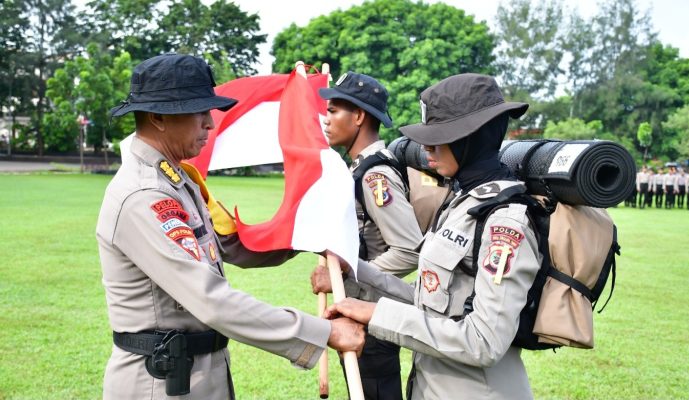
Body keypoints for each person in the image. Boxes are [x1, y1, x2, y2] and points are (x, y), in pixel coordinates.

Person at [96, 53, 365, 400]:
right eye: (200, 112)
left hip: (194, 372)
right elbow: (211, 300)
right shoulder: (144, 195)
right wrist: (324, 331)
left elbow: (229, 245)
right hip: (160, 382)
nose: (210, 123)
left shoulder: (178, 181)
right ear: (159, 117)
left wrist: (308, 232)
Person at [314, 73, 541, 399]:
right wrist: (355, 269)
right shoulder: (464, 202)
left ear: (470, 138)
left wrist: (378, 313)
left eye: (439, 136)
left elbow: (484, 341)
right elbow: (431, 300)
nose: (426, 147)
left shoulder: (505, 220)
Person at [316, 71, 423, 400]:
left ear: (359, 116)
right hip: (359, 311)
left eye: (334, 111)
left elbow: (409, 250)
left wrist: (347, 270)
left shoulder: (375, 175)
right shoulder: (358, 167)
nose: (326, 119)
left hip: (374, 317)